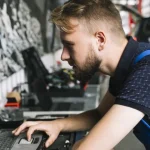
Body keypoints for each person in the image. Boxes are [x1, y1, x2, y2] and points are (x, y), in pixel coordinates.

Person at [12, 0, 150, 149]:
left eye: (69, 45)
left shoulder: (146, 70)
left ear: (100, 40)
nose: (63, 56)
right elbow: (99, 114)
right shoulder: (128, 66)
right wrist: (57, 125)